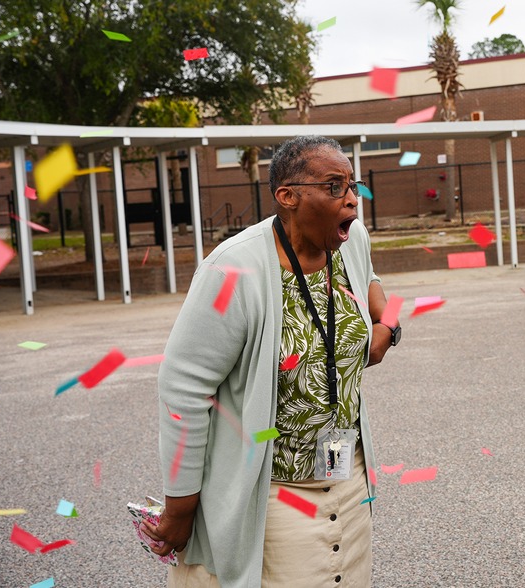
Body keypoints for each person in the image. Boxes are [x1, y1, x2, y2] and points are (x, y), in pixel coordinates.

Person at [142, 135, 400, 587]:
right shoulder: (232, 271)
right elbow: (183, 389)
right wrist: (180, 509)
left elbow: (377, 284)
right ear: (288, 196)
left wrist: (389, 327)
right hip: (274, 495)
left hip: (349, 478)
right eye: (336, 186)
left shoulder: (351, 239)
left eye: (353, 186)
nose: (353, 201)